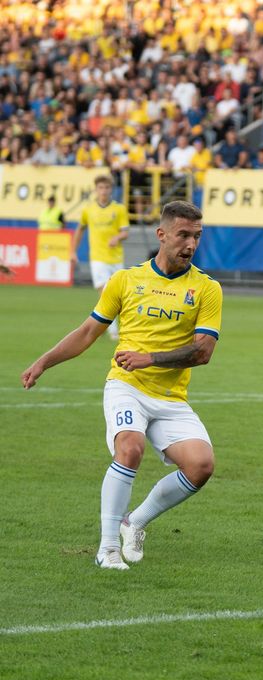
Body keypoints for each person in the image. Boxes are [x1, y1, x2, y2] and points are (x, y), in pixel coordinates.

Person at [22, 201, 222, 570]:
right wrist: (43, 362)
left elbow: (202, 352)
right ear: (161, 235)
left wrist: (152, 357)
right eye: (183, 235)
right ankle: (108, 547)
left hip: (170, 396)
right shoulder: (126, 281)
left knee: (201, 466)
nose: (190, 244)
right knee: (130, 448)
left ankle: (136, 522)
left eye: (196, 236)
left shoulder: (207, 289)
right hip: (126, 386)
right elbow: (87, 333)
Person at [72, 175, 130, 340]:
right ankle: (113, 331)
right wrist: (72, 251)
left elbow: (125, 231)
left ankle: (113, 325)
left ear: (111, 189)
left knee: (119, 296)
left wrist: (117, 237)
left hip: (116, 258)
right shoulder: (88, 210)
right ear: (96, 190)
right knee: (105, 292)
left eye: (106, 188)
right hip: (97, 257)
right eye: (100, 188)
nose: (103, 191)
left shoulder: (119, 209)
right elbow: (80, 229)